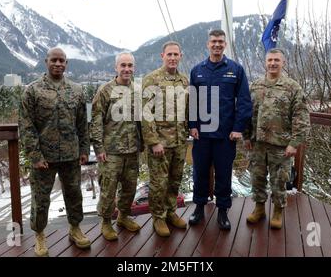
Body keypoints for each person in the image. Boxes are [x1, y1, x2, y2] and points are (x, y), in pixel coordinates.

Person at [20, 47, 91, 257]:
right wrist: (34, 156)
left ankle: (75, 229)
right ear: (46, 61)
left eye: (62, 60)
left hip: (71, 155)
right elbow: (26, 126)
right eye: (54, 60)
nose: (58, 64)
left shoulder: (77, 90)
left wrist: (84, 149)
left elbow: (82, 124)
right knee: (40, 199)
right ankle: (40, 235)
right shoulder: (32, 91)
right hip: (44, 158)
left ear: (66, 63)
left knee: (74, 195)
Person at [189, 29, 252, 230]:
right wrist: (192, 125)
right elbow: (192, 101)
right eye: (213, 41)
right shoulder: (197, 70)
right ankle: (199, 207)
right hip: (202, 135)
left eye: (220, 42)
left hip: (226, 135)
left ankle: (223, 210)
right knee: (199, 172)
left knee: (224, 173)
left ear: (225, 44)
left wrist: (238, 128)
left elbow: (243, 101)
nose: (217, 45)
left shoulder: (236, 69)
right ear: (208, 44)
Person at [244, 48, 310, 229]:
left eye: (277, 60)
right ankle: (259, 209)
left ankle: (278, 212)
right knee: (257, 179)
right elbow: (246, 113)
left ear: (283, 63)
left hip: (281, 146)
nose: (273, 63)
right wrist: (246, 136)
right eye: (270, 60)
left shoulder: (292, 87)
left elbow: (301, 117)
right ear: (265, 62)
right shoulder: (255, 86)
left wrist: (294, 143)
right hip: (257, 144)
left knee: (279, 180)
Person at [89, 52, 143, 241]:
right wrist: (99, 148)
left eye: (130, 65)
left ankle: (123, 216)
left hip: (132, 150)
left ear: (133, 68)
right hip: (111, 151)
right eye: (123, 65)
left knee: (130, 187)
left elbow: (141, 121)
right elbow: (95, 122)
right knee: (108, 188)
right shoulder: (105, 91)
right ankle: (105, 221)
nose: (127, 69)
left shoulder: (137, 91)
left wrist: (142, 145)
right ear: (116, 68)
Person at [142, 41, 189, 237]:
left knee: (174, 181)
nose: (172, 58)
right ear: (162, 56)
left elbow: (187, 111)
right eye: (169, 54)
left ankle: (171, 212)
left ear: (180, 56)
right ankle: (158, 217)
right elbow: (145, 113)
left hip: (179, 142)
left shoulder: (184, 81)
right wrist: (153, 141)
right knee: (158, 183)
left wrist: (190, 130)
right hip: (160, 144)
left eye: (175, 54)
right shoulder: (151, 79)